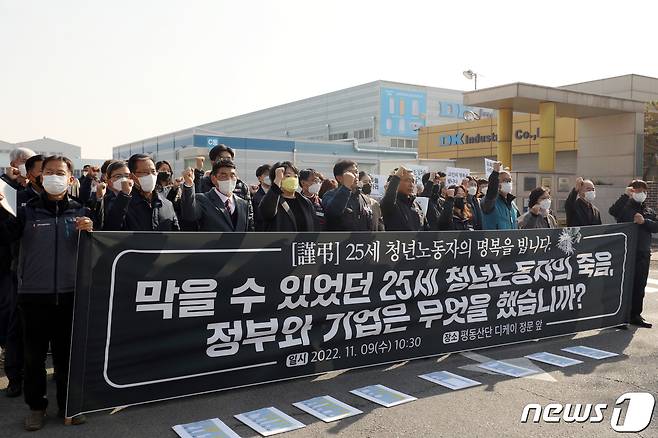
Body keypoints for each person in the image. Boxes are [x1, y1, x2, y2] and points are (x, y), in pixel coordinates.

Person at [0, 155, 91, 430]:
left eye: (60, 173)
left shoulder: (81, 211)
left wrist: (91, 229)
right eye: (49, 172)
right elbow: (6, 236)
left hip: (70, 294)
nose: (54, 177)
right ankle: (37, 408)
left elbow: (97, 247)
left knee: (67, 356)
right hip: (33, 297)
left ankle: (68, 407)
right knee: (34, 357)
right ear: (40, 177)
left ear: (70, 179)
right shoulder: (26, 211)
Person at [609, 180, 657, 328]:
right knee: (625, 285)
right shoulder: (625, 207)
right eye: (637, 190)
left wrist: (645, 222)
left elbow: (656, 226)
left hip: (643, 252)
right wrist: (625, 195)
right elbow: (613, 211)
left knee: (639, 285)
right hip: (627, 252)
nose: (641, 193)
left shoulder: (648, 210)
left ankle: (635, 315)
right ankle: (620, 317)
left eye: (643, 190)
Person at [103, 154, 179, 231]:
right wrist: (124, 197)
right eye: (145, 172)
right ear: (132, 176)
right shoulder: (121, 203)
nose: (150, 176)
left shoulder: (167, 204)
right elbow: (111, 230)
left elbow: (176, 235)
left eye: (153, 171)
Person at [180, 160, 254, 232]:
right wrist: (189, 185)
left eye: (232, 175)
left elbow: (249, 231)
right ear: (213, 179)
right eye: (223, 175)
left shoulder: (243, 204)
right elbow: (189, 215)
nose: (229, 179)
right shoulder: (202, 199)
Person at [259, 162, 315, 232]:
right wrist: (277, 181)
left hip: (302, 242)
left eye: (295, 176)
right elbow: (267, 213)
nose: (293, 179)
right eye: (288, 176)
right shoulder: (272, 200)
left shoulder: (306, 202)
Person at [322, 160, 374, 231]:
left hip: (361, 241)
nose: (355, 176)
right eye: (350, 173)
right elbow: (333, 212)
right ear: (339, 178)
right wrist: (346, 187)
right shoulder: (330, 195)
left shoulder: (364, 199)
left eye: (356, 172)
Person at [380, 166, 431, 231]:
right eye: (407, 180)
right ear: (397, 183)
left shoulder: (416, 205)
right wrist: (396, 177)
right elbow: (389, 199)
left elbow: (426, 230)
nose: (411, 184)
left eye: (413, 181)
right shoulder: (392, 204)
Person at [481, 161, 520, 230]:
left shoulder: (512, 204)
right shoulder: (490, 202)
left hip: (510, 240)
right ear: (497, 184)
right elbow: (491, 192)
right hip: (495, 240)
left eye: (509, 181)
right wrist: (495, 173)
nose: (508, 183)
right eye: (505, 181)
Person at [250, 164, 271, 231]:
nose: (270, 177)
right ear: (259, 178)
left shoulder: (279, 192)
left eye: (271, 174)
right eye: (266, 174)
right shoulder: (254, 194)